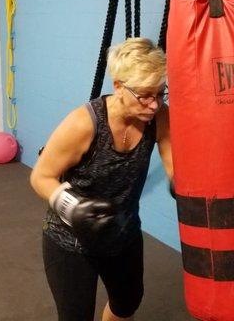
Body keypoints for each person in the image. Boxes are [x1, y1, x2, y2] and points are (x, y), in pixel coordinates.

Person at [30, 37, 173, 321]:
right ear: (119, 86)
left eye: (160, 93)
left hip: (124, 234)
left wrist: (184, 184)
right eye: (144, 94)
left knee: (127, 304)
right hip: (70, 240)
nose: (154, 104)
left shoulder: (159, 117)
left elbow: (174, 163)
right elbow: (41, 176)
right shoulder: (84, 124)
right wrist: (70, 206)